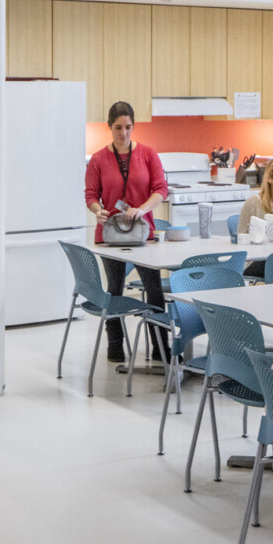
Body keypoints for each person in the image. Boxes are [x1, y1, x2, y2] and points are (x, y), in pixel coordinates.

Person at [83, 101, 170, 364]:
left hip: (144, 235)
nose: (123, 133)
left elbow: (161, 190)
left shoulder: (148, 155)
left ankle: (160, 348)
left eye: (128, 127)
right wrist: (97, 210)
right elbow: (90, 195)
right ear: (109, 127)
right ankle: (115, 348)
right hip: (110, 236)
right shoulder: (98, 159)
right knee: (115, 289)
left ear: (134, 126)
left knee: (154, 289)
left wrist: (141, 209)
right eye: (118, 128)